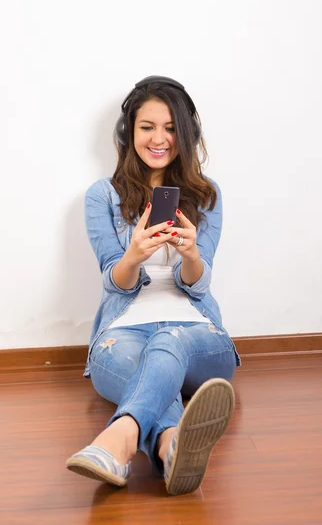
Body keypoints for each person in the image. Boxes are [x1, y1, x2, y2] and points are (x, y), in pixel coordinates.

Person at [66, 76, 241, 496]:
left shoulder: (206, 195)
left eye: (170, 127)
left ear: (186, 133)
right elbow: (114, 279)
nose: (159, 139)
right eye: (147, 127)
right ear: (130, 133)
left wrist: (192, 257)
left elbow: (199, 284)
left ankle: (119, 439)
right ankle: (169, 445)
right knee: (147, 359)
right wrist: (133, 257)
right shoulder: (102, 196)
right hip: (123, 330)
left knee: (167, 340)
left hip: (195, 333)